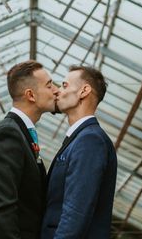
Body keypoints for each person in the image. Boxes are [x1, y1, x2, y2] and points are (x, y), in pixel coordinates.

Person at [0, 60, 59, 238]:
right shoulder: (7, 135)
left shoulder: (20, 133)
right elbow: (2, 205)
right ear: (31, 95)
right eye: (49, 85)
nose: (56, 90)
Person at [42, 65, 117, 238]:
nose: (57, 91)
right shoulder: (80, 138)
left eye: (64, 85)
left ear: (84, 91)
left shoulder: (89, 140)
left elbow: (76, 211)